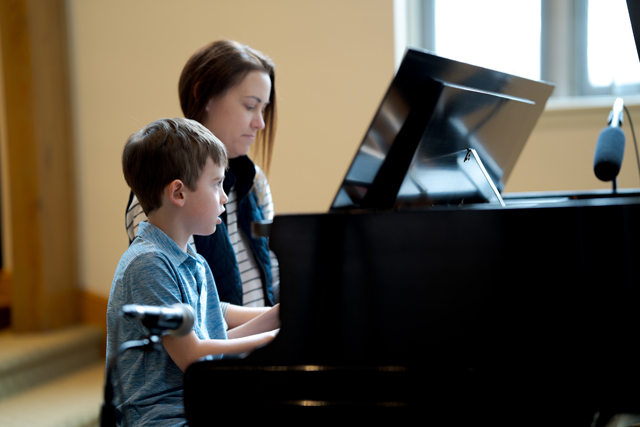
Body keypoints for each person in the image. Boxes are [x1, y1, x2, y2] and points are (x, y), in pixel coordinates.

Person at [108, 118, 280, 426]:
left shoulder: (191, 258)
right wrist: (272, 337)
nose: (224, 196)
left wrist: (278, 316)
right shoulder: (148, 263)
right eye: (216, 184)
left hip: (196, 400)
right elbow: (193, 356)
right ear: (179, 193)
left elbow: (214, 341)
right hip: (159, 415)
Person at [125, 40, 279, 308]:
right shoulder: (161, 191)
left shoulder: (255, 179)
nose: (260, 123)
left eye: (263, 109)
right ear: (204, 96)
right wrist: (270, 319)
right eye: (249, 106)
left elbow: (273, 272)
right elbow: (191, 306)